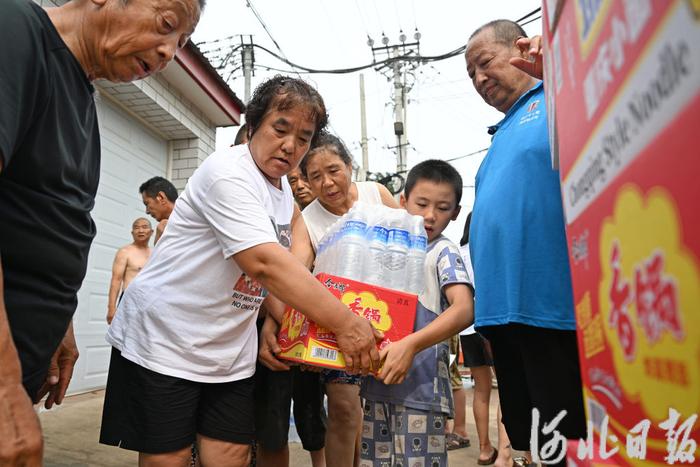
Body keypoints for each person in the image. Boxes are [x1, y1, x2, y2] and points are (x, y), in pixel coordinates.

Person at [100, 76, 381, 467]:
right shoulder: (227, 173)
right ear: (252, 127)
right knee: (170, 457)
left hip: (226, 348)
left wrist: (296, 331)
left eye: (303, 137)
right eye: (280, 129)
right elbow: (264, 264)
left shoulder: (282, 192)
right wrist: (344, 325)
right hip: (166, 338)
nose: (290, 146)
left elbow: (267, 284)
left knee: (230, 454)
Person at [0, 0, 203, 463]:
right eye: (167, 24)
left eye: (182, 42)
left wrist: (59, 325)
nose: (170, 50)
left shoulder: (83, 100)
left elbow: (43, 225)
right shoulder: (15, 33)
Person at [465, 20, 586, 466]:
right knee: (534, 441)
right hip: (503, 316)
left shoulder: (559, 98)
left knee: (571, 440)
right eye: (471, 74)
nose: (479, 79)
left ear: (519, 49)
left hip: (552, 309)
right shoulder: (501, 134)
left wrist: (557, 69)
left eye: (484, 63)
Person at [259, 131, 398, 467]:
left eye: (334, 170)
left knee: (383, 414)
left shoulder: (376, 193)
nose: (328, 183)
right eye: (315, 176)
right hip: (338, 330)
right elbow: (290, 276)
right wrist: (274, 323)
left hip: (392, 323)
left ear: (350, 165)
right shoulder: (307, 221)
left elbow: (410, 241)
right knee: (344, 409)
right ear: (304, 180)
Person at [359, 159, 474, 467]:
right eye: (421, 203)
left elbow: (464, 309)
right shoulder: (386, 250)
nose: (430, 215)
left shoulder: (443, 252)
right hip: (376, 386)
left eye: (442, 207)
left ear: (456, 213)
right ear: (402, 202)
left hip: (422, 394)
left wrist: (410, 344)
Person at [253, 167, 323, 467]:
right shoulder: (262, 212)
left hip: (315, 326)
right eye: (294, 181)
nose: (301, 185)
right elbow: (268, 276)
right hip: (274, 323)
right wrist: (273, 322)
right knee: (272, 416)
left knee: (313, 409)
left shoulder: (321, 222)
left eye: (307, 178)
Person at [459, 212, 511, 466]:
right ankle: (505, 453)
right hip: (493, 321)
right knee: (507, 388)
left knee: (481, 390)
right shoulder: (490, 246)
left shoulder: (458, 251)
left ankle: (484, 449)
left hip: (466, 327)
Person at [106, 218, 153, 325]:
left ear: (151, 232)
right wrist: (111, 308)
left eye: (144, 227)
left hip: (149, 302)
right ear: (132, 232)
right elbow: (116, 280)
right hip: (129, 301)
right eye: (136, 228)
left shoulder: (155, 253)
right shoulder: (125, 252)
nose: (140, 231)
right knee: (123, 339)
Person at [444, 335, 470, 451]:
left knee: (452, 376)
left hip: (445, 326)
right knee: (440, 378)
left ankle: (460, 430)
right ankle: (444, 430)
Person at [139, 176, 178, 244]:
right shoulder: (163, 229)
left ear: (161, 197)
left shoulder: (193, 221)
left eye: (147, 204)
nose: (147, 211)